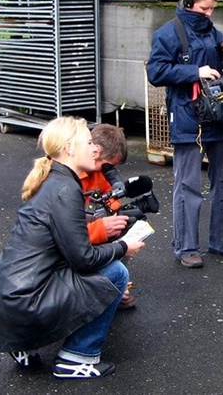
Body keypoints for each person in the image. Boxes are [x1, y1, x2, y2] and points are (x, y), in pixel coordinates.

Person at [0, 117, 145, 379]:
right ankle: (77, 356)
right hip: (25, 302)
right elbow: (83, 259)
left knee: (92, 266)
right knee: (116, 272)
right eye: (89, 142)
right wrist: (124, 247)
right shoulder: (66, 188)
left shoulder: (51, 179)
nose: (95, 148)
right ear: (70, 148)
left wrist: (99, 224)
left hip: (8, 298)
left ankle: (24, 341)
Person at [146, 0, 223, 268]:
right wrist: (196, 71)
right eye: (204, 8)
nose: (209, 14)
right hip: (187, 118)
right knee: (188, 185)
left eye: (213, 9)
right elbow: (156, 72)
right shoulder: (167, 34)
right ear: (189, 2)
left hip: (217, 117)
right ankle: (186, 247)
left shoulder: (213, 33)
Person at [80, 124, 137, 309]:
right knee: (116, 241)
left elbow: (112, 199)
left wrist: (113, 208)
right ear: (95, 152)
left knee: (129, 223)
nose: (111, 171)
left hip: (91, 226)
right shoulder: (70, 179)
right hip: (78, 240)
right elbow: (71, 235)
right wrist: (102, 227)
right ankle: (109, 285)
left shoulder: (101, 172)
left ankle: (116, 283)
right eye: (109, 166)